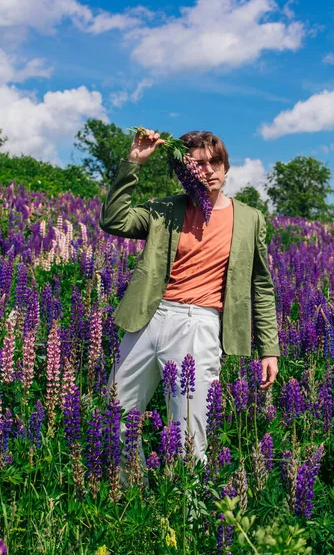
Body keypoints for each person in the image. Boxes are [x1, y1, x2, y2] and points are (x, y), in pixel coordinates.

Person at [99, 127, 280, 487]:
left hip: (200, 325)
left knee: (189, 432)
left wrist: (269, 348)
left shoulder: (249, 218)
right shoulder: (166, 209)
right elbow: (114, 219)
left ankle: (191, 521)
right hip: (150, 316)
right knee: (116, 414)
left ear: (226, 168)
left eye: (216, 162)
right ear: (185, 171)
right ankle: (134, 499)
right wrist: (134, 161)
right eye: (199, 164)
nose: (209, 169)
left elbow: (261, 285)